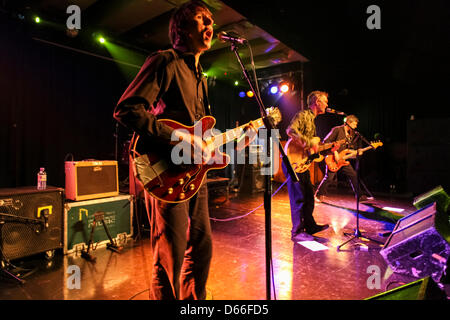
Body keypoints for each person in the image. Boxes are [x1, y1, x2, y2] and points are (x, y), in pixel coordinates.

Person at [113, 1, 215, 300]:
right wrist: (179, 138)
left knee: (202, 244)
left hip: (194, 173)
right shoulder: (165, 61)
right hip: (165, 171)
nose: (210, 25)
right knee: (171, 250)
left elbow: (199, 132)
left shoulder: (200, 76)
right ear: (182, 28)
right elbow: (127, 109)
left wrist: (230, 140)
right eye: (201, 19)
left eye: (211, 21)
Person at [282, 91, 330, 242]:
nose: (327, 104)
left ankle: (310, 226)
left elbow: (311, 149)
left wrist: (327, 148)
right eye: (325, 101)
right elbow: (290, 130)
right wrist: (309, 143)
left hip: (304, 163)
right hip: (293, 161)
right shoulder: (303, 115)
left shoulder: (312, 120)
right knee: (298, 198)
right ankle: (296, 232)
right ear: (317, 101)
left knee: (309, 195)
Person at [314, 115, 373, 201]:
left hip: (342, 160)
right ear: (348, 123)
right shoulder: (337, 129)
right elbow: (326, 142)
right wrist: (335, 153)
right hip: (332, 157)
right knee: (329, 178)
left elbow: (347, 149)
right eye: (354, 124)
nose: (356, 126)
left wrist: (356, 152)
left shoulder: (351, 135)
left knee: (353, 175)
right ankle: (318, 195)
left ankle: (360, 196)